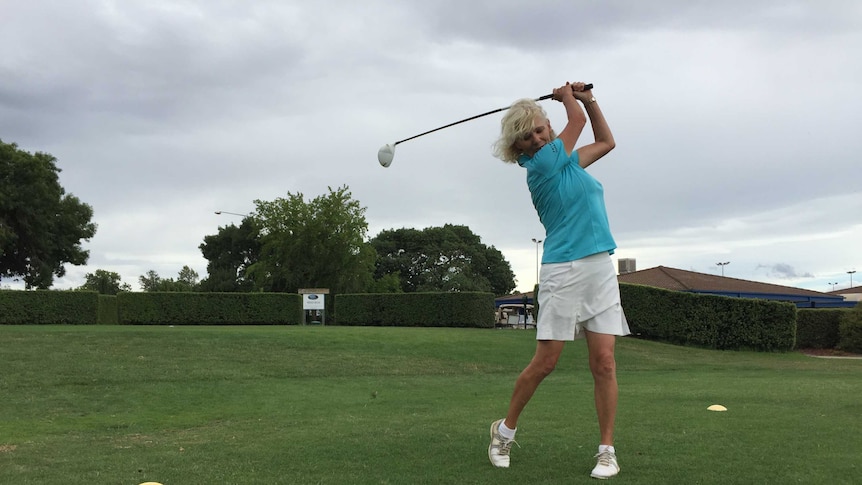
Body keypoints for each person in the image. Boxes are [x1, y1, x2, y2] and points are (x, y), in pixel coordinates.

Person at [487, 82, 631, 480]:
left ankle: (606, 451)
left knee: (604, 362)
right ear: (521, 149)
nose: (537, 136)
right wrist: (568, 94)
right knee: (546, 362)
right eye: (528, 136)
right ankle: (504, 431)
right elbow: (578, 121)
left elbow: (605, 141)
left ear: (548, 127)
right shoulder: (543, 165)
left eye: (539, 128)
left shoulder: (566, 161)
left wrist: (590, 99)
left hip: (600, 266)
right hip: (563, 270)